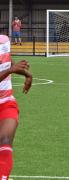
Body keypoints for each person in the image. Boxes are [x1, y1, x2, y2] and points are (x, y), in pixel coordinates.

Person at [0, 34, 32, 180]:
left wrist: (26, 74)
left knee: (6, 141)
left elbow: (7, 62)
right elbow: (8, 69)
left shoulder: (4, 40)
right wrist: (10, 71)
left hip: (6, 103)